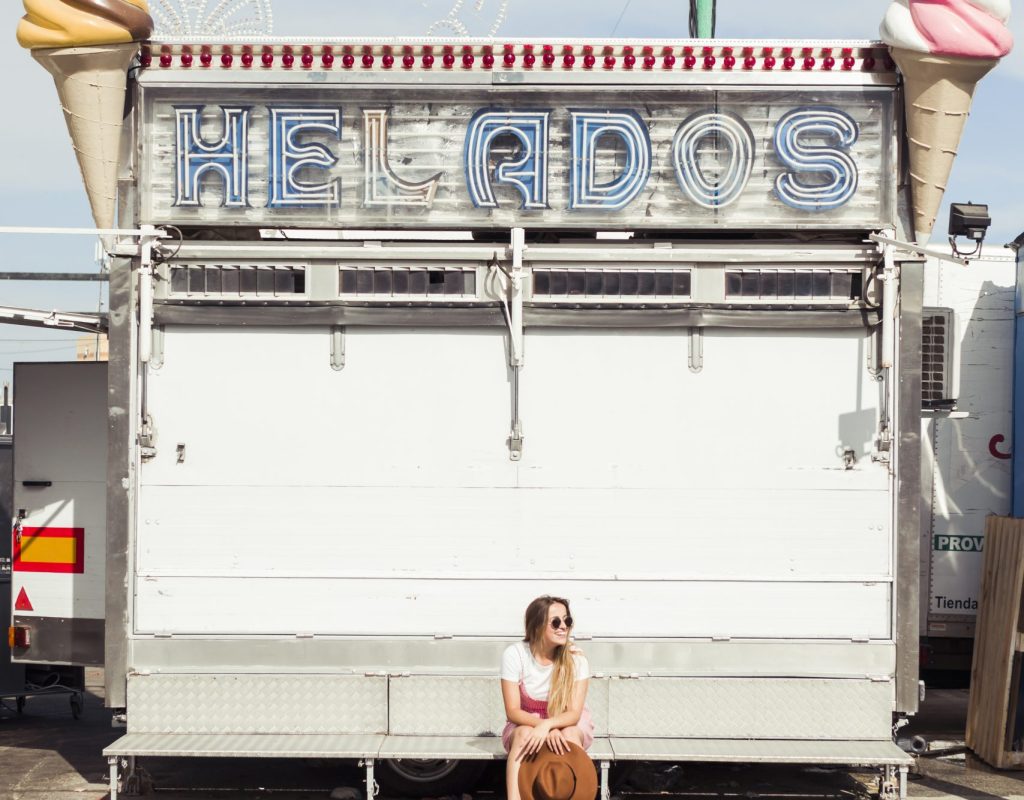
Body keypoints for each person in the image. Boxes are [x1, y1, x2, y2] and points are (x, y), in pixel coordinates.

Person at [501, 595, 595, 800]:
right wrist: (541, 726)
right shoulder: (515, 655)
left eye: (567, 620)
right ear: (536, 626)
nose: (563, 627)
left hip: (566, 720)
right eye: (556, 622)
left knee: (569, 735)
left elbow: (573, 713)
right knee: (524, 734)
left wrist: (549, 726)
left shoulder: (576, 659)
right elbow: (513, 711)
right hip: (527, 721)